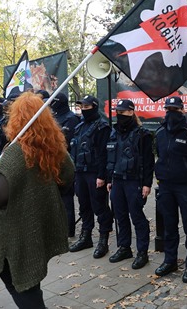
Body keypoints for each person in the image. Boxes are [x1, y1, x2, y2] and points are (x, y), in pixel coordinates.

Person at [0, 92, 75, 309]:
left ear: (16, 119)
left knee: (20, 281)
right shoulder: (54, 146)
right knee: (30, 277)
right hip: (36, 222)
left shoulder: (17, 152)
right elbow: (68, 177)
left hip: (15, 229)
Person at [155, 96, 187, 282]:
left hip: (186, 186)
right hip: (166, 186)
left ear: (182, 111)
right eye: (168, 109)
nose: (171, 113)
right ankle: (170, 260)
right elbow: (160, 154)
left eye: (175, 110)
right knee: (169, 226)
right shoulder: (160, 133)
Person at [106, 99, 154, 269]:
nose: (120, 115)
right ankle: (124, 247)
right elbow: (111, 157)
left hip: (134, 181)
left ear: (131, 112)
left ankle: (142, 252)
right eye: (118, 112)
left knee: (137, 216)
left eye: (123, 112)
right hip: (117, 180)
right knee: (120, 216)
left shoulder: (143, 134)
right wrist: (109, 179)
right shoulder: (114, 133)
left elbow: (149, 162)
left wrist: (147, 184)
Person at [68, 95, 114, 259]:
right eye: (82, 107)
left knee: (100, 206)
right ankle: (86, 237)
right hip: (80, 172)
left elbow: (104, 154)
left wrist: (102, 176)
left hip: (95, 173)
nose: (84, 110)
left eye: (87, 107)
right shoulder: (80, 127)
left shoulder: (102, 127)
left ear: (94, 107)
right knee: (84, 205)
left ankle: (103, 240)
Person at [51, 92, 80, 237]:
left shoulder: (71, 119)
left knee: (67, 199)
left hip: (65, 161)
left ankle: (69, 230)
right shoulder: (54, 117)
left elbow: (69, 142)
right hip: (53, 162)